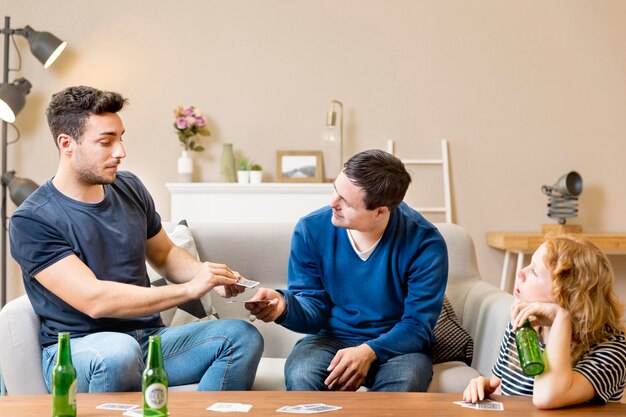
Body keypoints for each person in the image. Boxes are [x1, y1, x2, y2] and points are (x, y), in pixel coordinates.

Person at [9, 85, 263, 393]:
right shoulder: (33, 219)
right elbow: (95, 300)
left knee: (241, 337)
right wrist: (189, 290)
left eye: (121, 137)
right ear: (67, 143)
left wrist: (208, 275)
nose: (121, 152)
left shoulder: (129, 187)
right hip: (80, 349)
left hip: (148, 340)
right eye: (106, 142)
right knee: (117, 353)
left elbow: (165, 255)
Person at [247, 149, 448, 392]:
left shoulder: (425, 243)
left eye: (346, 202)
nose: (333, 202)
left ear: (381, 211)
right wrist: (284, 307)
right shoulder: (310, 230)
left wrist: (369, 351)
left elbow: (417, 326)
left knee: (406, 382)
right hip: (329, 339)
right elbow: (313, 310)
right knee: (302, 373)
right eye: (335, 189)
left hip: (397, 345)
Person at [463, 234, 626, 409]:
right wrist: (484, 386)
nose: (521, 273)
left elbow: (547, 397)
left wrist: (562, 318)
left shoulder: (612, 350)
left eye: (534, 271)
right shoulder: (523, 326)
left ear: (569, 295)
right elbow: (501, 389)